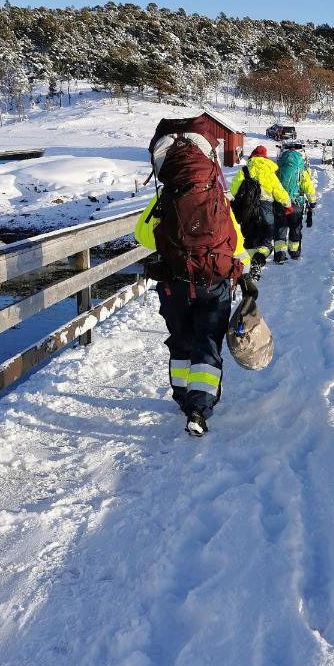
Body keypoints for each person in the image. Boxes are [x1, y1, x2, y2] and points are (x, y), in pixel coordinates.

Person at [135, 125, 257, 437]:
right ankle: (199, 408)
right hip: (214, 281)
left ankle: (181, 397)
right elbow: (235, 240)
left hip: (175, 283)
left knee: (181, 341)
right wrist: (243, 270)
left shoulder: (166, 197)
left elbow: (142, 235)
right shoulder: (217, 196)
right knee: (208, 343)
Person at [230, 146, 292, 276]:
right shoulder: (269, 172)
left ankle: (249, 266)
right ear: (265, 157)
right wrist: (288, 205)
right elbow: (279, 191)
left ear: (252, 156)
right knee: (267, 241)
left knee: (249, 241)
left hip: (247, 211)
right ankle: (259, 259)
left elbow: (232, 192)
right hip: (266, 209)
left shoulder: (244, 171)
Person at [273, 148, 317, 262]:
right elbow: (308, 187)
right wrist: (312, 202)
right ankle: (294, 252)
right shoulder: (300, 170)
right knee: (295, 228)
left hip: (280, 203)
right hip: (296, 203)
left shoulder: (278, 169)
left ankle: (280, 255)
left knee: (280, 229)